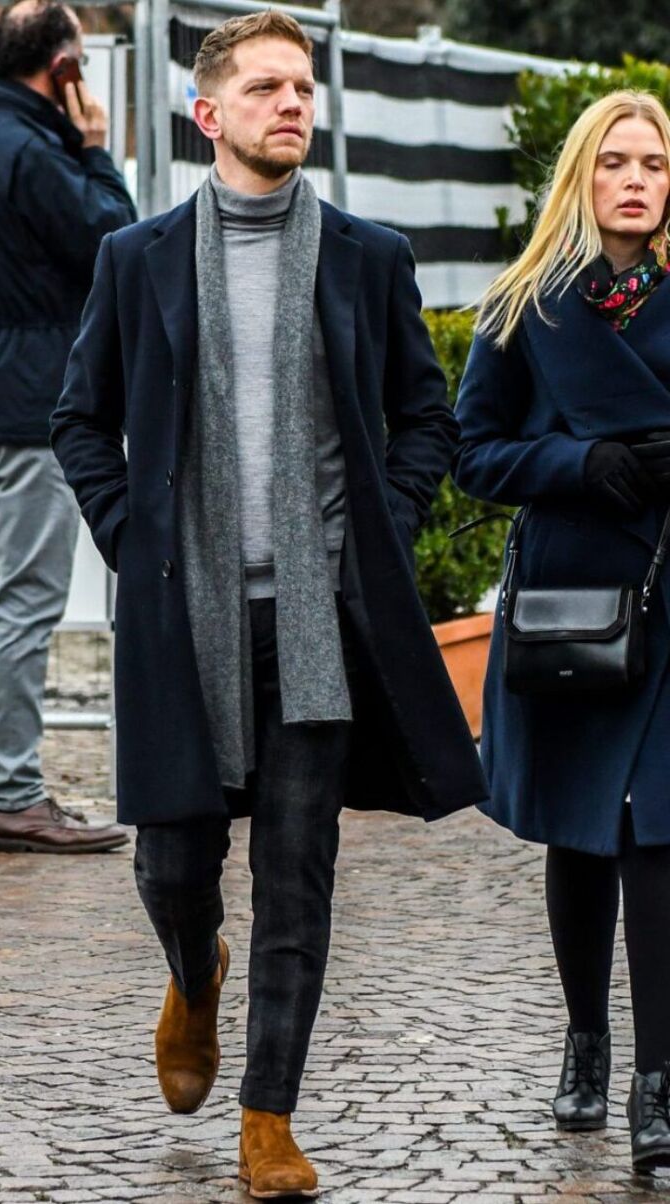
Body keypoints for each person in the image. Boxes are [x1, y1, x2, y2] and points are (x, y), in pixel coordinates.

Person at [51, 10, 487, 1197]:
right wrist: (134, 537)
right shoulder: (136, 258)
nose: (291, 104)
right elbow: (79, 418)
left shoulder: (366, 255)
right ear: (208, 113)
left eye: (301, 87)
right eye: (264, 88)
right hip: (181, 617)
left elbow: (425, 416)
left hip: (315, 623)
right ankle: (193, 973)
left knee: (298, 874)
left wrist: (376, 530)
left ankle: (266, 1117)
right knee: (171, 865)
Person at [454, 91, 670, 1174]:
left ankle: (657, 1083)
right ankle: (586, 1041)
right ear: (581, 176)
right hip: (570, 608)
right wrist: (577, 462)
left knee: (657, 835)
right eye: (614, 161)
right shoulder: (523, 307)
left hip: (668, 595)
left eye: (653, 163)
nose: (634, 180)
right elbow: (472, 451)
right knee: (580, 831)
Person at [0, 0, 136, 853]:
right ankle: (14, 794)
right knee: (25, 602)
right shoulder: (37, 155)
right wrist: (97, 148)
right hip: (33, 404)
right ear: (63, 69)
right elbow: (117, 239)